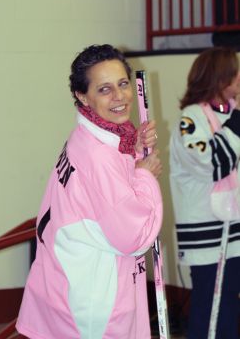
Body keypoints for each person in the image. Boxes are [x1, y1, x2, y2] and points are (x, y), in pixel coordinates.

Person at [16, 44, 163, 339]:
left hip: (71, 285)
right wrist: (145, 175)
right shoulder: (98, 156)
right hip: (94, 301)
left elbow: (109, 194)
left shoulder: (92, 138)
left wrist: (132, 151)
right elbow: (134, 237)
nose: (119, 96)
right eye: (104, 89)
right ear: (82, 96)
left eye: (122, 84)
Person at [169, 47, 240, 339]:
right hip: (205, 233)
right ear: (221, 78)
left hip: (233, 231)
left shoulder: (232, 113)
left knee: (229, 311)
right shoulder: (191, 119)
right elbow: (214, 163)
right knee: (207, 309)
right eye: (235, 72)